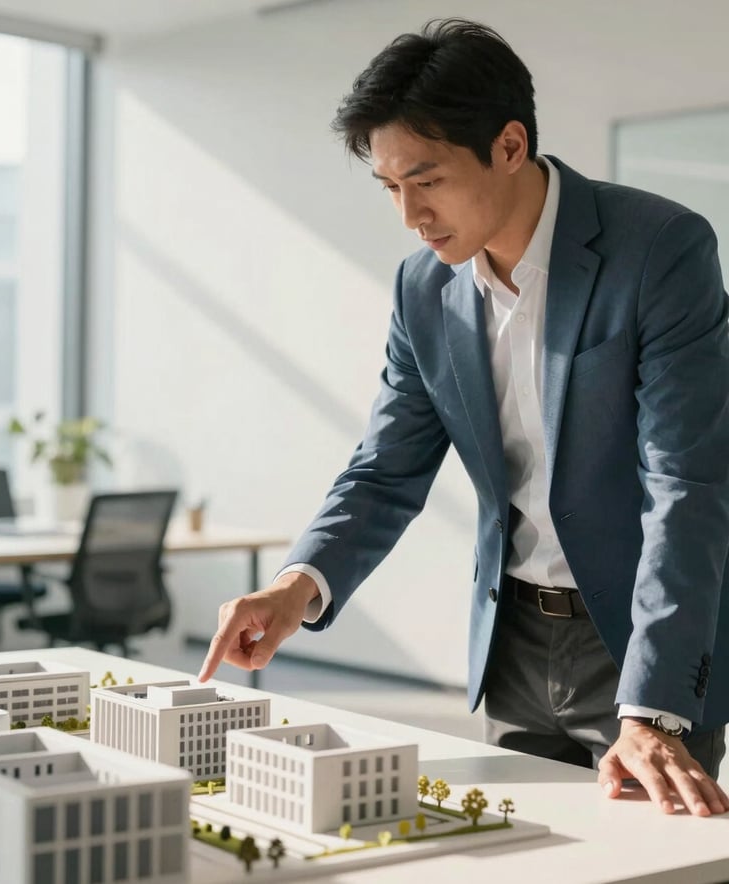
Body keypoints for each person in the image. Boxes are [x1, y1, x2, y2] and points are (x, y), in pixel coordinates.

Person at [198, 18, 729, 816]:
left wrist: (652, 708)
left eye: (428, 179)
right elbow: (386, 465)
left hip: (635, 642)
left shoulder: (659, 250)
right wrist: (293, 586)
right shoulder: (424, 287)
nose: (410, 214)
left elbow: (684, 484)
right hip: (511, 641)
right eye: (390, 188)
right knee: (512, 854)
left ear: (509, 146)